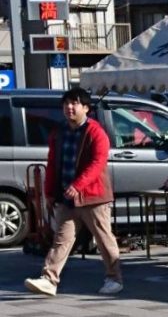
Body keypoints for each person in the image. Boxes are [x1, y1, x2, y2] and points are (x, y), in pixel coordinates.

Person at [24, 88, 123, 297]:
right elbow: (52, 163)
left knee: (104, 239)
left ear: (85, 108)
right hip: (66, 197)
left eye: (74, 104)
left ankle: (114, 278)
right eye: (66, 104)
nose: (69, 108)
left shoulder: (96, 132)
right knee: (61, 239)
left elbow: (98, 163)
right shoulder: (59, 132)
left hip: (93, 197)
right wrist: (50, 191)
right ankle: (49, 279)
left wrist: (78, 185)